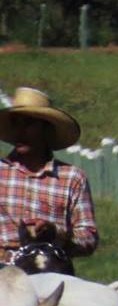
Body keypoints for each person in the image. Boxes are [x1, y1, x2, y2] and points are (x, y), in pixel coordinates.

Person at [0, 86, 98, 265]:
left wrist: (55, 234)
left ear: (46, 129)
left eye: (29, 124)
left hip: (51, 267)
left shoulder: (72, 178)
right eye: (16, 123)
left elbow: (89, 238)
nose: (21, 132)